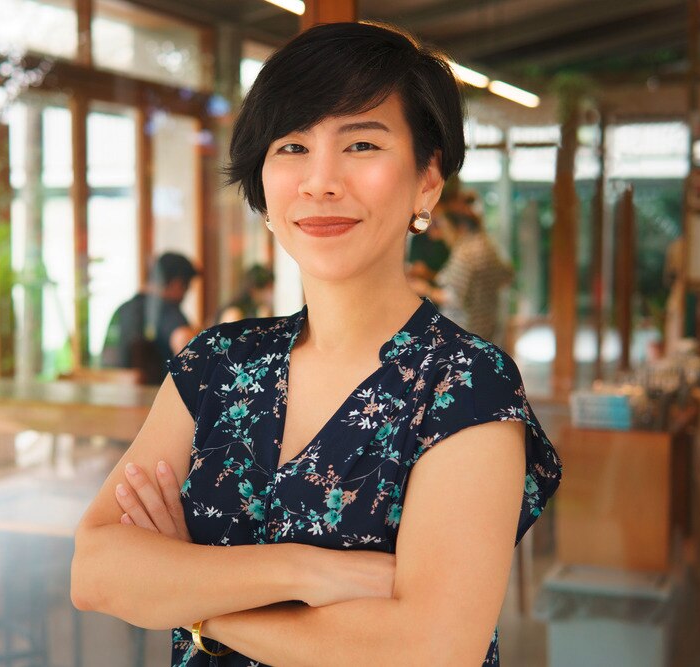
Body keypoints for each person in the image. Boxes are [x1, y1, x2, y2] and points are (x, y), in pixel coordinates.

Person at [71, 21, 561, 666]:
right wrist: (305, 571)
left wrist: (187, 596)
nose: (320, 181)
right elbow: (96, 573)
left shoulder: (465, 384)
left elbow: (432, 651)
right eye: (292, 146)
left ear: (428, 180)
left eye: (361, 144)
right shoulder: (219, 364)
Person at [410, 199, 514, 344]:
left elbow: (454, 298)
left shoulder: (465, 253)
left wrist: (426, 289)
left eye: (444, 226)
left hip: (465, 332)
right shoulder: (486, 245)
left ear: (460, 227)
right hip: (486, 327)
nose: (441, 234)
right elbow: (507, 275)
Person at [99, 252, 198, 384]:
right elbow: (183, 337)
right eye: (186, 288)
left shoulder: (123, 309)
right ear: (176, 284)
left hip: (112, 395)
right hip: (151, 401)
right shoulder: (165, 309)